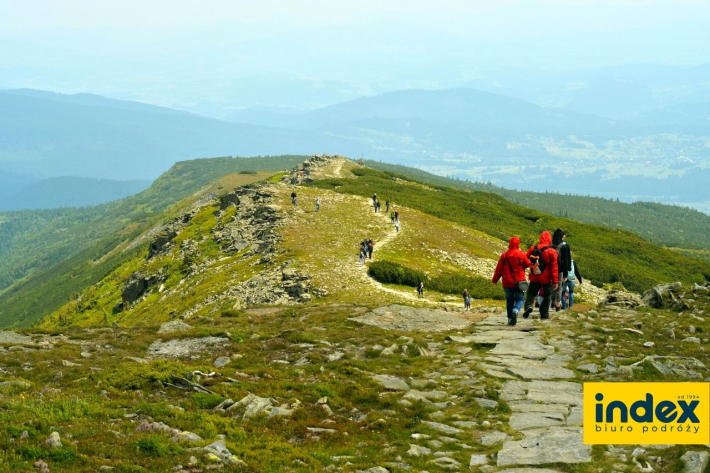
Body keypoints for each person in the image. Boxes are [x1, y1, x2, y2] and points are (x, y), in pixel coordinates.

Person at [492, 236, 531, 326]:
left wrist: (495, 280)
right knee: (520, 299)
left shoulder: (504, 255)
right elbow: (528, 264)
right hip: (519, 282)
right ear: (518, 244)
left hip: (507, 282)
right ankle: (516, 310)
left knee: (509, 300)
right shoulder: (521, 254)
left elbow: (499, 269)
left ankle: (510, 319)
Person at [522, 231, 559, 320]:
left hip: (534, 276)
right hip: (546, 278)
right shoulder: (552, 251)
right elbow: (554, 267)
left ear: (540, 238)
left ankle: (529, 306)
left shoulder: (532, 248)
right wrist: (555, 281)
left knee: (531, 293)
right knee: (547, 295)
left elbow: (525, 260)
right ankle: (544, 313)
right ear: (549, 240)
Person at [551, 229, 572, 312]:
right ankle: (557, 304)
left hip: (550, 268)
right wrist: (566, 273)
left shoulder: (551, 244)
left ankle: (551, 302)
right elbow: (566, 261)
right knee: (559, 287)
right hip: (559, 269)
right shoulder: (564, 246)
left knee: (551, 286)